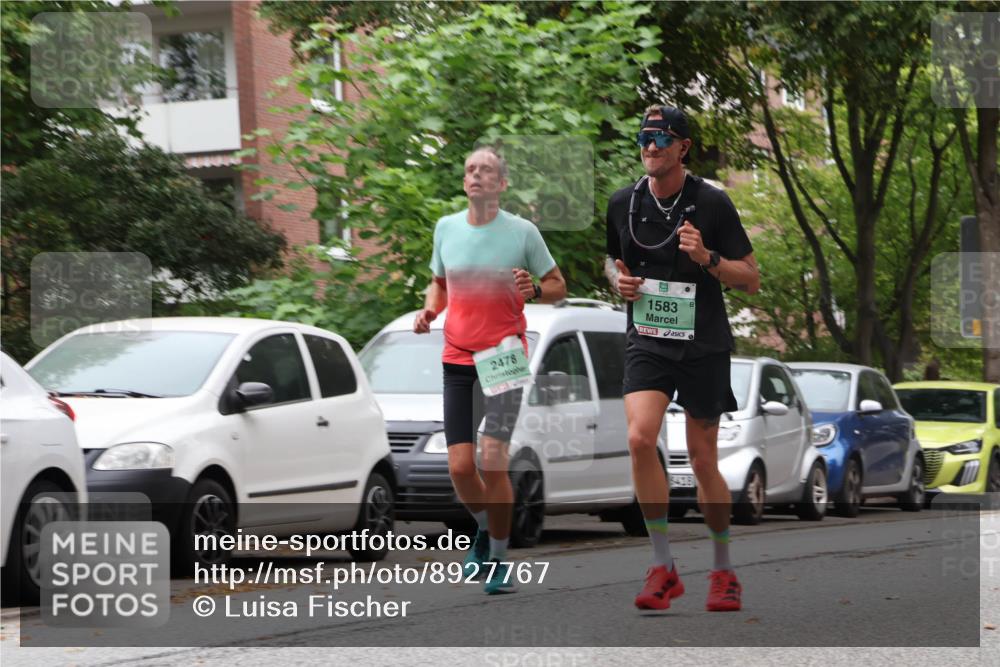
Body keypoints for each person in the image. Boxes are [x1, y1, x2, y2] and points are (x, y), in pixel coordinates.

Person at [604, 105, 760, 612]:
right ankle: (662, 565)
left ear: (683, 147)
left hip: (702, 343)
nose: (650, 146)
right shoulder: (623, 202)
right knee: (639, 438)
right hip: (648, 338)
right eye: (644, 138)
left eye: (662, 138)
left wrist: (707, 258)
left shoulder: (711, 203)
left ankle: (723, 570)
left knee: (702, 461)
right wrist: (618, 281)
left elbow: (750, 278)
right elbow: (611, 260)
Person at [414, 146, 567, 594]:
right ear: (465, 182)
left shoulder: (523, 233)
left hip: (503, 357)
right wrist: (430, 310)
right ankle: (485, 529)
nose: (476, 175)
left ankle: (498, 560)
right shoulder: (446, 229)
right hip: (458, 357)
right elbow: (439, 284)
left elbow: (558, 286)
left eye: (486, 170)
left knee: (493, 459)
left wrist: (534, 289)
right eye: (470, 170)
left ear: (501, 184)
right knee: (461, 467)